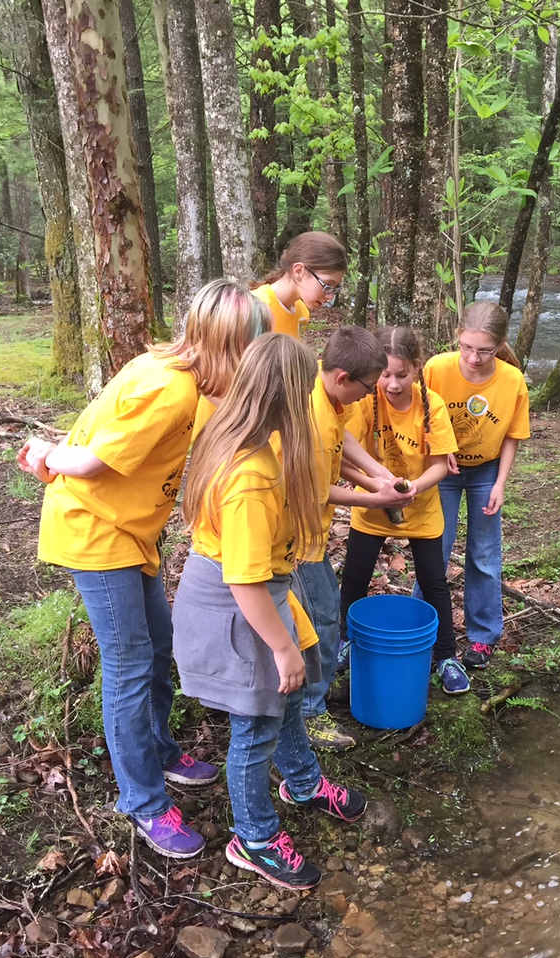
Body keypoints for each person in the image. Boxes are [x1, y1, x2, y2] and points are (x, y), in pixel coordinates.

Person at [15, 278, 269, 859]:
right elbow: (93, 459)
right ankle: (143, 802)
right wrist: (49, 457)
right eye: (248, 354)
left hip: (133, 533)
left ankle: (158, 749)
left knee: (159, 647)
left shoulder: (190, 382)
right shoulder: (169, 390)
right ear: (226, 348)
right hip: (97, 534)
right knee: (128, 666)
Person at [170, 333, 367, 890]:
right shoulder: (252, 474)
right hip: (240, 606)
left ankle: (303, 783)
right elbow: (244, 577)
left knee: (284, 706)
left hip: (265, 591)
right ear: (286, 395)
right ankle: (253, 838)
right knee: (256, 726)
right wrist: (282, 647)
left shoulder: (250, 437)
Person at [295, 326, 414, 751]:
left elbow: (339, 450)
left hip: (313, 536)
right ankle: (310, 713)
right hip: (294, 540)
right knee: (321, 619)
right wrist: (370, 498)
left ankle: (316, 694)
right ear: (344, 376)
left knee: (326, 612)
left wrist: (378, 476)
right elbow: (315, 487)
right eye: (368, 386)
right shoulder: (309, 412)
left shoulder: (331, 397)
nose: (372, 394)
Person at [340, 326, 468, 695]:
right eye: (384, 374)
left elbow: (441, 465)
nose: (392, 384)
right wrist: (377, 489)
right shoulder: (365, 401)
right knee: (355, 576)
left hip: (422, 509)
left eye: (402, 374)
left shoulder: (434, 406)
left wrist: (413, 488)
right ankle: (347, 641)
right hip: (373, 505)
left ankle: (446, 656)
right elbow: (345, 456)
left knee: (433, 582)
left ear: (417, 368)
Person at [420, 302, 531, 671]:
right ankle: (426, 630)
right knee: (434, 549)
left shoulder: (512, 380)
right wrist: (440, 453)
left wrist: (501, 482)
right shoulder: (437, 368)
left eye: (484, 350)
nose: (474, 357)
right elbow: (419, 416)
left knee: (484, 555)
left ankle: (483, 637)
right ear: (457, 337)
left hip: (486, 471)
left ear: (499, 345)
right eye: (467, 347)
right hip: (443, 471)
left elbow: (513, 435)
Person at [251, 231, 348, 338]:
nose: (330, 297)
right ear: (298, 271)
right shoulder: (255, 309)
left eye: (334, 288)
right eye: (327, 285)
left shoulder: (302, 313)